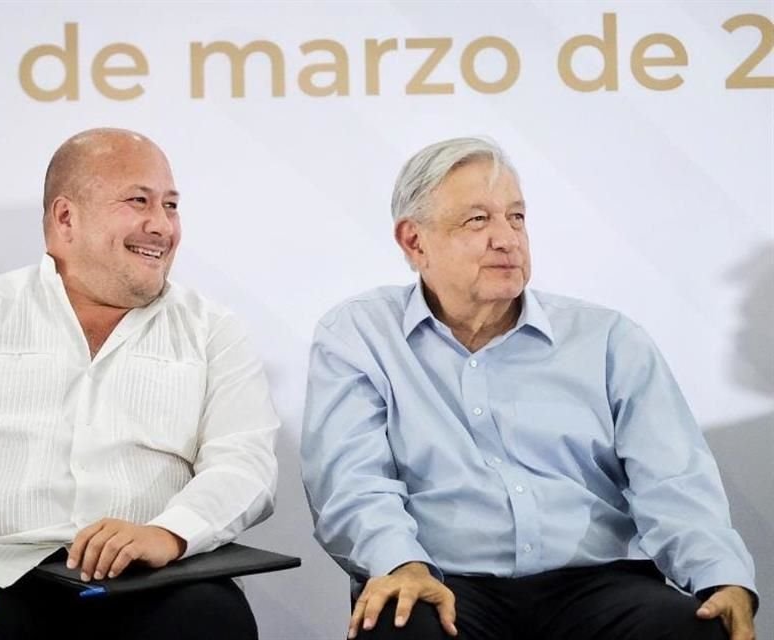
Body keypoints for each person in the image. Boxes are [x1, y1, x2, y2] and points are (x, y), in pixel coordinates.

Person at [301, 137, 758, 640]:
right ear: (414, 242)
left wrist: (722, 577)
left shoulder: (607, 339)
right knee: (398, 629)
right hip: (444, 582)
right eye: (478, 220)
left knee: (693, 630)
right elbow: (351, 482)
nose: (507, 239)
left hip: (600, 583)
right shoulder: (360, 335)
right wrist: (401, 563)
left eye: (515, 217)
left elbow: (673, 479)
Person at [0, 128, 280, 639]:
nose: (162, 226)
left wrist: (170, 532)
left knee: (211, 622)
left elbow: (246, 463)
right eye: (138, 202)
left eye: (171, 205)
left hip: (155, 582)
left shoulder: (214, 331)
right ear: (65, 218)